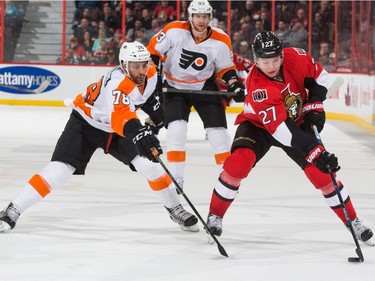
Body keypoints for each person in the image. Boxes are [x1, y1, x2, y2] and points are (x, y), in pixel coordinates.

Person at [0, 41, 198, 233]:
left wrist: (155, 111)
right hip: (86, 123)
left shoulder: (150, 71)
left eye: (144, 65)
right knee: (59, 171)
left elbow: (142, 95)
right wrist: (140, 133)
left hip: (115, 126)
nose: (141, 70)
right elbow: (122, 115)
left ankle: (174, 209)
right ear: (123, 65)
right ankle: (12, 210)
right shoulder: (117, 84)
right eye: (135, 66)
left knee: (150, 166)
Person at [206, 31, 374, 246]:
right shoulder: (258, 87)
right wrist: (316, 151)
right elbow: (282, 132)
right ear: (256, 60)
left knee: (322, 175)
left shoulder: (296, 56)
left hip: (294, 121)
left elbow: (320, 78)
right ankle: (215, 215)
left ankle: (353, 221)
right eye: (265, 61)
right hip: (259, 126)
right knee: (238, 165)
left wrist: (315, 103)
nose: (271, 66)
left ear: (282, 55)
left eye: (275, 59)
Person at [146, 0, 245, 192]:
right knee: (176, 131)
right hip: (174, 86)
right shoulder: (174, 30)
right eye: (197, 16)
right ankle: (176, 178)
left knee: (219, 135)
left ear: (210, 17)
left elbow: (226, 68)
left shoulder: (221, 39)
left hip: (204, 85)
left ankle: (227, 179)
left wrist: (235, 84)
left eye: (205, 16)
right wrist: (155, 77)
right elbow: (153, 52)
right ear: (190, 16)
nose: (201, 20)